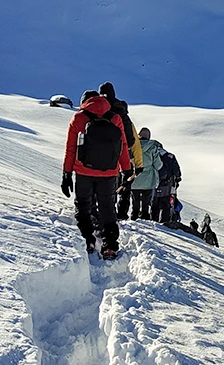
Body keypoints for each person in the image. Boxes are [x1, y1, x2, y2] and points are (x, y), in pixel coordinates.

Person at [61, 90, 130, 258]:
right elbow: (122, 146)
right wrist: (126, 169)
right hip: (109, 173)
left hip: (83, 171)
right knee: (107, 207)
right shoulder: (115, 118)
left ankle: (88, 240)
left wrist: (66, 174)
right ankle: (110, 245)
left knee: (83, 205)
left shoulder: (78, 118)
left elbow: (71, 149)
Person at [98, 82, 142, 219]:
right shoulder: (123, 115)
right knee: (124, 186)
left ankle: (105, 210)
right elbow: (134, 142)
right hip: (122, 156)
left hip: (99, 155)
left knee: (105, 184)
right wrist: (139, 164)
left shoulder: (96, 111)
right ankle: (122, 213)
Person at [131, 128, 163, 221]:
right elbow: (158, 165)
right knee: (146, 201)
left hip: (135, 178)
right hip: (149, 179)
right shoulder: (153, 148)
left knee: (135, 200)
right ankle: (145, 216)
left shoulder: (133, 146)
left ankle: (134, 215)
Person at [152, 147, 182, 225]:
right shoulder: (170, 157)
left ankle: (153, 221)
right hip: (167, 186)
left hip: (153, 184)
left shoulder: (152, 155)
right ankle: (165, 222)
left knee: (154, 205)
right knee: (166, 205)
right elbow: (177, 171)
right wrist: (177, 178)